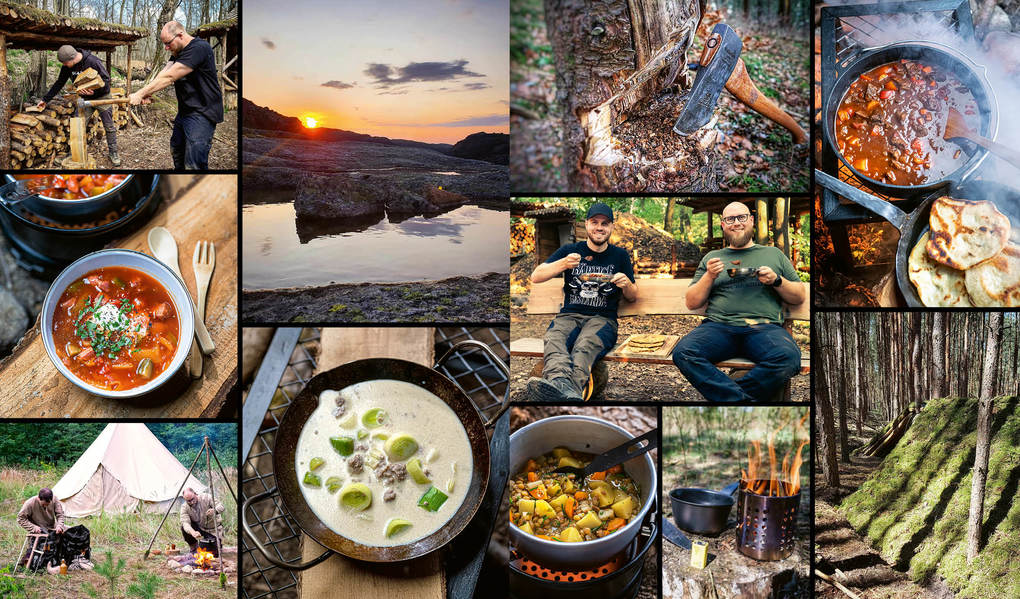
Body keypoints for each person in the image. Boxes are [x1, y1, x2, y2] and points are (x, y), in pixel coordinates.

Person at [672, 201, 806, 402]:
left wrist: (776, 280)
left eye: (741, 217)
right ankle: (742, 402)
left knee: (789, 357)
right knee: (684, 353)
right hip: (718, 328)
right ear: (723, 224)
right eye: (730, 219)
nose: (736, 223)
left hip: (764, 328)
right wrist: (709, 275)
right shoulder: (713, 257)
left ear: (751, 220)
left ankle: (729, 399)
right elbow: (692, 302)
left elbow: (799, 295)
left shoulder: (773, 254)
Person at [527, 202, 637, 401]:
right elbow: (536, 276)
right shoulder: (571, 251)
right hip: (569, 315)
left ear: (612, 227)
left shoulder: (619, 256)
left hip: (602, 319)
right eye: (594, 222)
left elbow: (633, 296)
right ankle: (561, 385)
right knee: (555, 339)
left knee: (585, 344)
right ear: (586, 224)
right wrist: (563, 263)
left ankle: (569, 391)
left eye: (605, 223)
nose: (599, 227)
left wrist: (626, 284)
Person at [129, 21, 223, 169]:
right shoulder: (177, 51)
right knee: (177, 151)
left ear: (180, 35)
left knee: (194, 164)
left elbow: (170, 77)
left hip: (203, 112)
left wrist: (140, 93)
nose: (166, 48)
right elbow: (164, 72)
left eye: (168, 43)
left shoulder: (199, 48)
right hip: (185, 111)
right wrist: (148, 93)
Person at [36, 45, 121, 166]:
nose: (64, 65)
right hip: (84, 99)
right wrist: (45, 99)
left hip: (102, 97)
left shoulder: (93, 61)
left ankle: (114, 152)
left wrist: (95, 92)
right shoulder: (67, 67)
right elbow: (59, 83)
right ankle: (73, 153)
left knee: (109, 126)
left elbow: (106, 81)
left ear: (71, 59)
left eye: (65, 63)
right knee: (77, 125)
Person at [17, 488, 65, 566]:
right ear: (39, 498)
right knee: (36, 550)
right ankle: (28, 560)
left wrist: (59, 526)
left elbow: (60, 515)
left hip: (52, 527)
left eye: (48, 504)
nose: (46, 506)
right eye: (43, 504)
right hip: (38, 530)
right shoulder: (29, 503)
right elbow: (20, 519)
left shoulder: (55, 499)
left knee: (68, 534)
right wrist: (33, 527)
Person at [179, 487, 224, 553]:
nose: (192, 502)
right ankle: (194, 547)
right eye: (189, 501)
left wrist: (215, 510)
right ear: (185, 499)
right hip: (201, 529)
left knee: (214, 553)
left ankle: (217, 544)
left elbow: (221, 506)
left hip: (214, 530)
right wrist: (193, 532)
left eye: (192, 499)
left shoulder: (206, 497)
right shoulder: (184, 507)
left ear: (195, 494)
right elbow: (185, 523)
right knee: (183, 527)